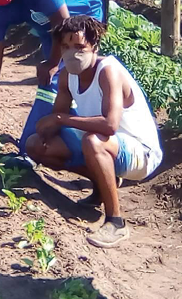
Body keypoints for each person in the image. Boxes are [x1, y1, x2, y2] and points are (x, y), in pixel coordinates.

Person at [25, 16, 163, 248]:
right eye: (66, 47)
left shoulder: (108, 71)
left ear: (94, 47)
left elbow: (110, 125)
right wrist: (46, 127)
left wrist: (60, 118)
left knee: (93, 141)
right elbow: (58, 116)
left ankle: (116, 221)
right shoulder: (68, 76)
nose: (72, 54)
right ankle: (102, 185)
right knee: (36, 145)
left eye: (80, 47)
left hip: (140, 152)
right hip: (106, 144)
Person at [0, 0, 104, 163]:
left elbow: (64, 21)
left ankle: (29, 151)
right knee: (56, 82)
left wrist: (52, 63)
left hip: (81, 15)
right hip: (49, 27)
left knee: (56, 79)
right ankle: (64, 134)